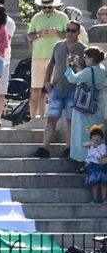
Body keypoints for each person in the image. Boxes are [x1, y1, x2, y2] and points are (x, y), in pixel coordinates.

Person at [39, 20, 87, 157]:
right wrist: (46, 81)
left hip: (74, 90)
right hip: (57, 88)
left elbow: (86, 71)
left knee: (70, 119)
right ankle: (44, 147)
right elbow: (50, 65)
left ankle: (69, 148)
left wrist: (78, 64)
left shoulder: (83, 49)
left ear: (78, 32)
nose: (70, 33)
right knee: (51, 119)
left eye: (73, 30)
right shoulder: (58, 46)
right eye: (68, 30)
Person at [28, 0, 71, 128]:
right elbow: (30, 36)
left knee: (52, 88)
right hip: (38, 56)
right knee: (36, 89)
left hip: (56, 57)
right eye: (44, 7)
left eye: (49, 7)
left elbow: (69, 35)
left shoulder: (62, 17)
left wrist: (56, 33)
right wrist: (40, 33)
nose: (46, 9)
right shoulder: (36, 17)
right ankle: (34, 118)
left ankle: (50, 117)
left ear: (54, 6)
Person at [62, 46, 106, 163]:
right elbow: (87, 76)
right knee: (97, 134)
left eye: (86, 57)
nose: (84, 59)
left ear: (92, 59)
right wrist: (79, 67)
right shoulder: (102, 69)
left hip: (84, 107)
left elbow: (72, 79)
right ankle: (97, 159)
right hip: (98, 105)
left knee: (82, 133)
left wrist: (69, 66)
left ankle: (83, 160)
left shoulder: (89, 71)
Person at [87, 125, 107, 204]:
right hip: (93, 166)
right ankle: (94, 199)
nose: (96, 138)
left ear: (101, 138)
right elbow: (84, 144)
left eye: (98, 136)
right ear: (91, 137)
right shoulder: (90, 145)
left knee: (104, 184)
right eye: (94, 136)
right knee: (94, 184)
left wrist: (103, 156)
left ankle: (104, 199)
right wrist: (92, 144)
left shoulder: (103, 146)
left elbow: (105, 154)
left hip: (102, 166)